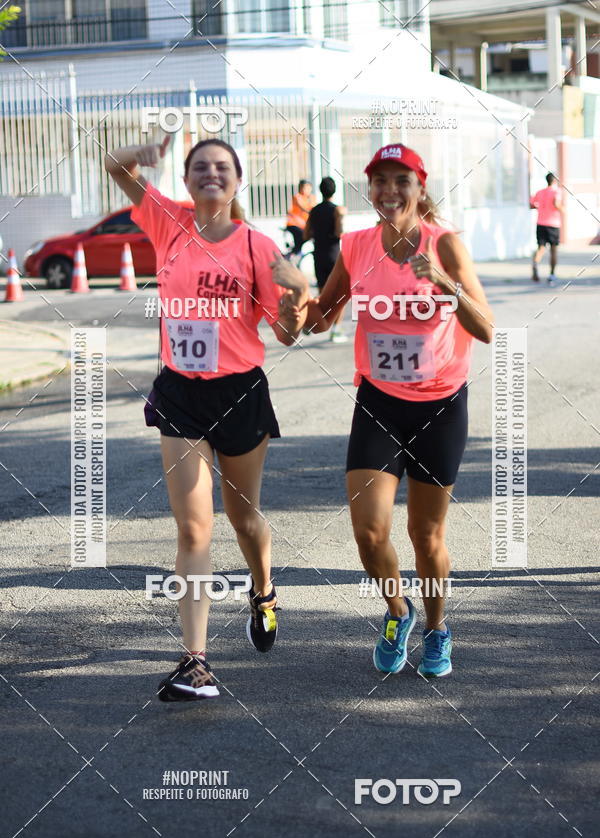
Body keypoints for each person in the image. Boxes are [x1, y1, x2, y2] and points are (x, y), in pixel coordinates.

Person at [272, 144, 494, 679]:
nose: (389, 191)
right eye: (379, 182)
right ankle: (398, 611)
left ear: (420, 187)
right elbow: (325, 315)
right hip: (377, 402)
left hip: (440, 404)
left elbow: (486, 328)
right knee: (369, 533)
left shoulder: (447, 244)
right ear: (369, 189)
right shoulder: (356, 246)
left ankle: (437, 629)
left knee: (426, 536)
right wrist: (299, 312)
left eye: (401, 181)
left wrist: (444, 284)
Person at [105, 135, 306, 702]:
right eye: (200, 167)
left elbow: (287, 334)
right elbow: (113, 165)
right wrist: (145, 149)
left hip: (240, 393)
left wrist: (295, 304)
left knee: (244, 519)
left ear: (238, 181)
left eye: (222, 167)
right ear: (188, 180)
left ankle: (263, 590)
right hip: (180, 395)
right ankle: (196, 664)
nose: (210, 173)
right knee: (193, 528)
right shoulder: (168, 222)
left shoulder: (259, 248)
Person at [304, 176, 347, 343]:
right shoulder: (337, 210)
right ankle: (336, 330)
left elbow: (306, 234)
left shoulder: (313, 211)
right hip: (334, 256)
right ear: (334, 191)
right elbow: (339, 233)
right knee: (340, 295)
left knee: (323, 294)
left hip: (318, 255)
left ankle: (309, 323)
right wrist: (341, 218)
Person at [530, 172, 563, 285]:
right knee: (553, 250)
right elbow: (556, 203)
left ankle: (535, 264)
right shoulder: (557, 191)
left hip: (540, 223)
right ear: (554, 181)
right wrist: (563, 210)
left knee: (541, 248)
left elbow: (531, 204)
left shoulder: (540, 192)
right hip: (553, 224)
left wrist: (541, 207)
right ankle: (552, 275)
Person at [286, 179, 316, 259]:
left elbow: (315, 208)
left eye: (309, 188)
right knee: (302, 237)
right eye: (306, 188)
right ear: (301, 188)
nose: (308, 190)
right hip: (294, 224)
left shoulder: (311, 198)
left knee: (308, 238)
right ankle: (293, 255)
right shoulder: (297, 197)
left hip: (304, 226)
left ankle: (295, 254)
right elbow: (304, 208)